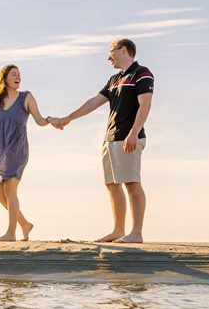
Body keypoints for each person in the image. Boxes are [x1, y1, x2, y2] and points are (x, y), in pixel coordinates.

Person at [48, 39, 154, 243]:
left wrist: (134, 132)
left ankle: (136, 233)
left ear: (123, 50)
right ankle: (118, 230)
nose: (108, 57)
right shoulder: (114, 79)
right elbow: (94, 102)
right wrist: (68, 118)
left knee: (132, 183)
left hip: (129, 137)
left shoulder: (141, 73)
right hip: (110, 138)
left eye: (111, 52)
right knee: (112, 184)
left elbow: (145, 104)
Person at [0, 64, 53, 241]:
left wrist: (50, 120)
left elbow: (39, 120)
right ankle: (25, 224)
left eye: (19, 75)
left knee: (10, 191)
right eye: (14, 74)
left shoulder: (26, 97)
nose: (18, 77)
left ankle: (11, 233)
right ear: (5, 79)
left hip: (17, 149)